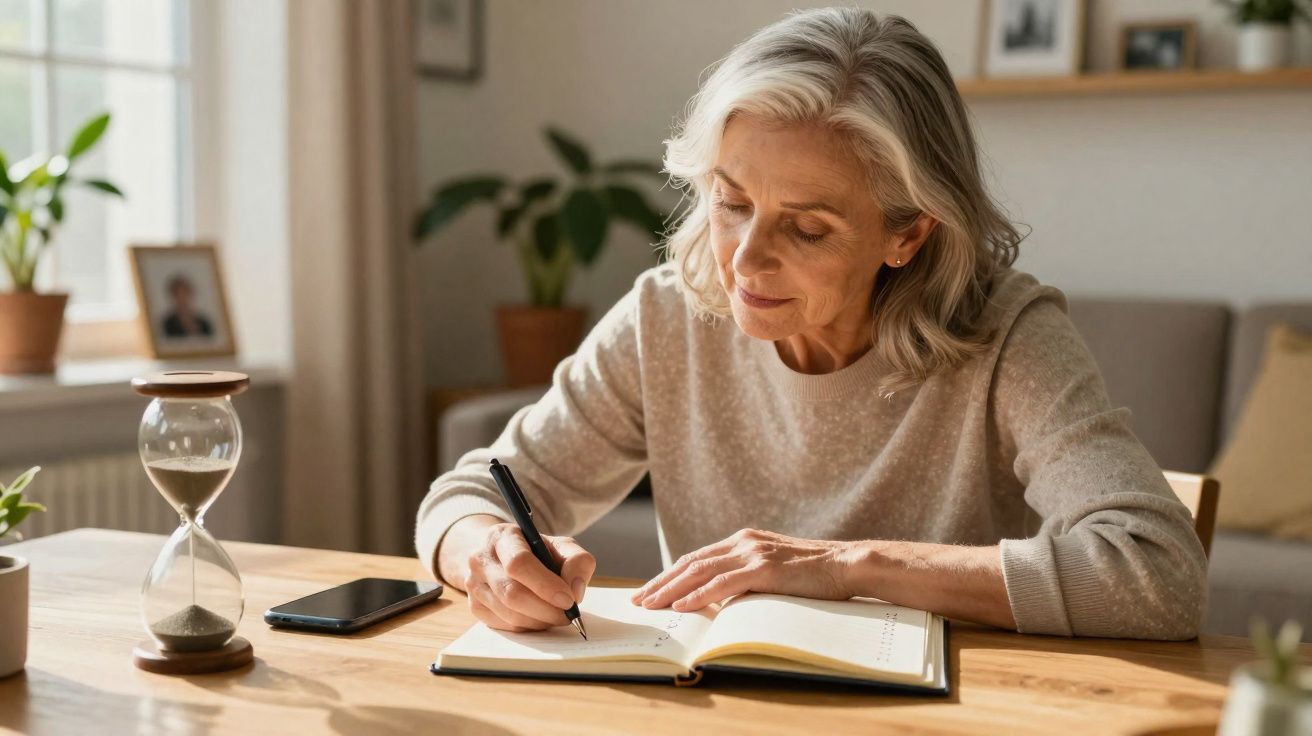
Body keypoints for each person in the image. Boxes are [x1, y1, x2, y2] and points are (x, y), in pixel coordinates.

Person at [415, 8, 1208, 640]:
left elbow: (1159, 573)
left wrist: (846, 565)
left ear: (909, 233)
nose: (745, 261)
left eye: (807, 228)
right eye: (731, 204)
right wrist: (482, 552)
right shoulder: (668, 315)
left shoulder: (1008, 337)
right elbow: (467, 493)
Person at [161, 274, 214, 338]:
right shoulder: (168, 323)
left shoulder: (204, 322)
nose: (182, 299)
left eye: (185, 294)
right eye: (178, 295)